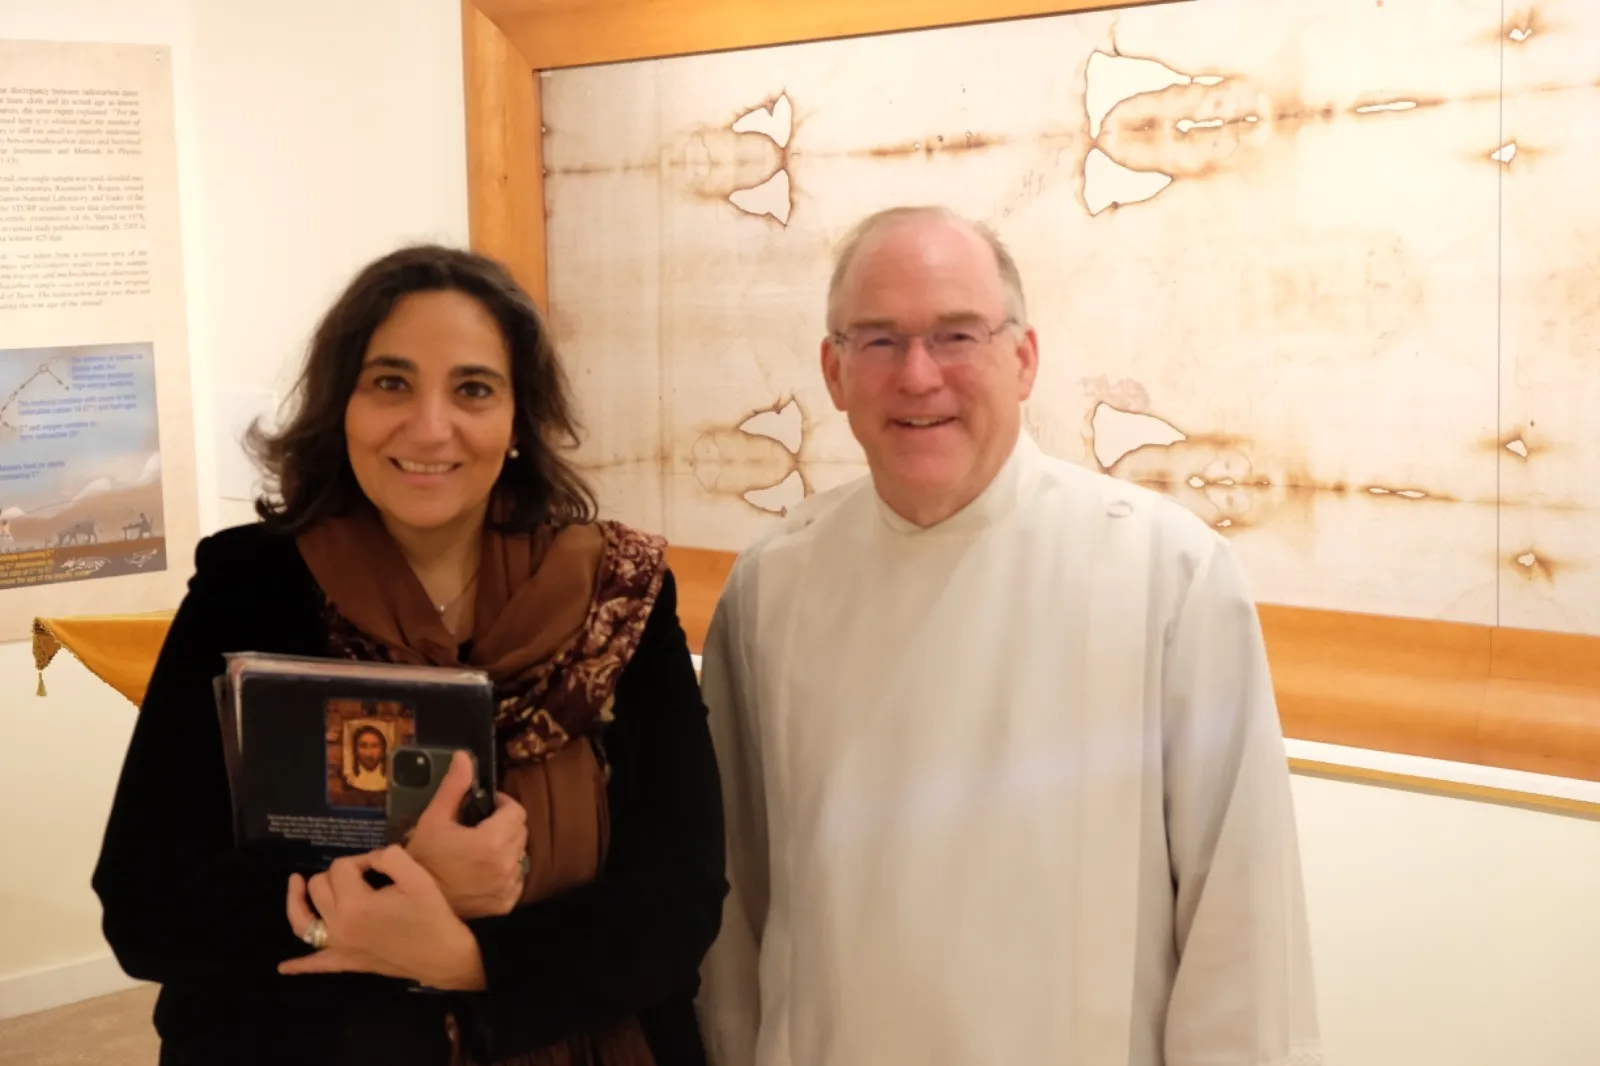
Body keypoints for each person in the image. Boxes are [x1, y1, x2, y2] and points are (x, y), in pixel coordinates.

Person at [694, 206, 1324, 1066]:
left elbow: (1242, 926)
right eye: (878, 341)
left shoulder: (1165, 574)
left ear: (1023, 360)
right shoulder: (774, 583)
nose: (919, 376)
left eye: (958, 335)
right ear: (832, 371)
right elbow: (730, 911)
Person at [92, 245, 728, 1065]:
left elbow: (678, 900)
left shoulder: (619, 597)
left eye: (473, 389)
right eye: (390, 382)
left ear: (518, 421)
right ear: (341, 406)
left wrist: (466, 961)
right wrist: (384, 898)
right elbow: (145, 903)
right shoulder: (248, 587)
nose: (430, 427)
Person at [345, 724, 389, 792]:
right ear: (355, 750)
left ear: (383, 750)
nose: (369, 754)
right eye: (363, 746)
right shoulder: (349, 780)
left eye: (375, 746)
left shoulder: (388, 781)